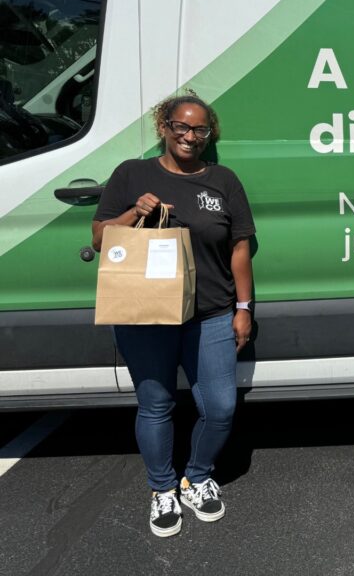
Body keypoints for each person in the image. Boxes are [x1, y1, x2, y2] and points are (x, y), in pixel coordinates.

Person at [92, 93, 255, 537]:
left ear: (209, 134)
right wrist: (135, 211)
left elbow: (240, 246)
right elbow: (103, 237)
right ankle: (162, 488)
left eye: (199, 130)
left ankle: (197, 477)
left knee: (220, 407)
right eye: (180, 126)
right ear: (163, 126)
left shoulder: (223, 180)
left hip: (212, 313)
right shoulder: (132, 173)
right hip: (146, 313)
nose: (189, 136)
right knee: (156, 404)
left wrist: (243, 308)